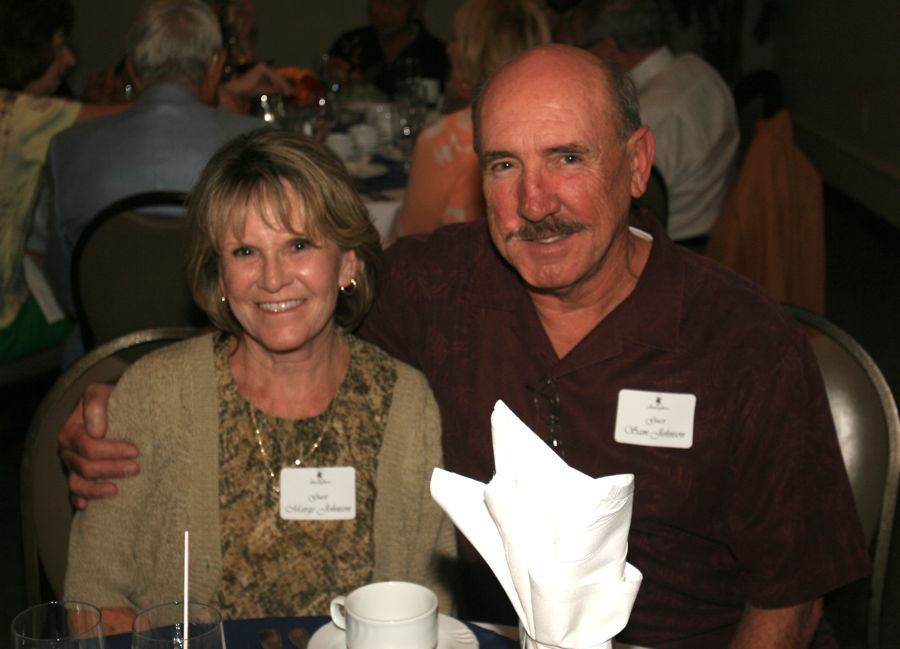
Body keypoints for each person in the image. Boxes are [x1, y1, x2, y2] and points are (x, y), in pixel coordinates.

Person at [59, 45, 870, 648]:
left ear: (636, 164)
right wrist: (119, 389)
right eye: (505, 165)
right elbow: (284, 312)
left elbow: (791, 599)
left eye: (568, 159)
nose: (534, 202)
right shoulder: (435, 287)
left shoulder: (743, 340)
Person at [63, 129, 455, 634]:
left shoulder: (406, 404)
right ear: (220, 277)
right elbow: (91, 603)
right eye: (245, 252)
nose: (272, 279)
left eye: (298, 245)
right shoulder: (153, 396)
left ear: (348, 264)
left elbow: (432, 610)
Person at [42, 0, 291, 320]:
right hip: (226, 348)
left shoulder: (67, 149)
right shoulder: (260, 144)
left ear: (132, 69)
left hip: (104, 358)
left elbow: (65, 283)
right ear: (216, 66)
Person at [0, 0, 131, 361]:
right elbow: (139, 117)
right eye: (59, 47)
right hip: (4, 327)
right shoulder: (18, 117)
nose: (70, 60)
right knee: (102, 322)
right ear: (27, 49)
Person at [570, 0, 739, 249]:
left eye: (584, 48)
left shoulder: (647, 112)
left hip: (674, 245)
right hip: (722, 224)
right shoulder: (701, 70)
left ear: (609, 46)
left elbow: (606, 201)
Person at [390, 0, 550, 239]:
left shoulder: (446, 140)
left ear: (477, 54)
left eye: (457, 40)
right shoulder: (560, 125)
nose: (449, 48)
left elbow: (409, 243)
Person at [327, 0, 449, 98]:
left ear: (416, 7)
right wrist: (332, 81)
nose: (385, 11)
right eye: (379, 1)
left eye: (396, 4)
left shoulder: (437, 54)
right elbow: (324, 96)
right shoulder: (350, 43)